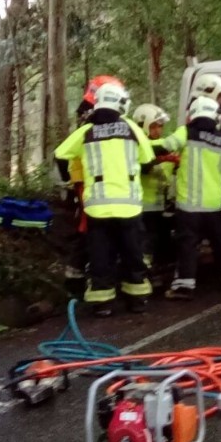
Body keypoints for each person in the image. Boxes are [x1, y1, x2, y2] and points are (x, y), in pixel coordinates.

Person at [54, 79, 156, 317]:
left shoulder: (86, 131)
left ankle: (102, 302)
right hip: (129, 206)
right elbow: (148, 161)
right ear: (119, 103)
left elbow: (59, 154)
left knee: (101, 254)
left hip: (97, 208)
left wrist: (69, 179)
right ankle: (137, 299)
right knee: (133, 253)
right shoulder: (131, 128)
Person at [155, 80, 221, 300]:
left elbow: (166, 146)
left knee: (188, 244)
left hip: (189, 205)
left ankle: (185, 286)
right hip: (214, 204)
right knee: (220, 241)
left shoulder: (186, 132)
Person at [62, 75, 122, 295]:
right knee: (89, 226)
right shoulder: (93, 116)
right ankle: (77, 277)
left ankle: (85, 272)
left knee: (92, 225)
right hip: (87, 176)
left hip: (88, 175)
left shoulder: (90, 112)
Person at [132, 103, 176, 278]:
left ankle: (156, 270)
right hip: (143, 206)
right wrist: (165, 157)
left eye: (160, 126)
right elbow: (144, 164)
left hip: (160, 207)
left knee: (159, 241)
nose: (158, 130)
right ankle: (141, 274)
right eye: (154, 126)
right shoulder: (137, 146)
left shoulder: (163, 147)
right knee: (145, 243)